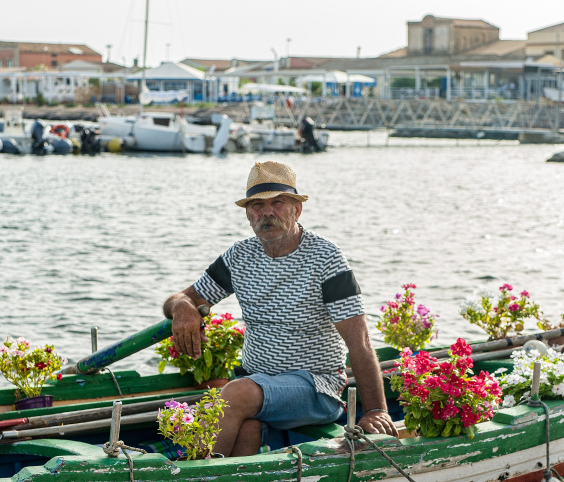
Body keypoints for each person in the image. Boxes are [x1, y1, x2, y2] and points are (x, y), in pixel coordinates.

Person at [163, 161, 396, 457]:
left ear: (296, 210)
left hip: (317, 388)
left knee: (235, 394)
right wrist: (183, 305)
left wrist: (375, 409)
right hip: (258, 385)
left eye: (278, 203)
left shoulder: (326, 258)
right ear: (248, 215)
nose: (267, 213)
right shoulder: (239, 256)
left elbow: (359, 341)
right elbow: (181, 298)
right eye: (258, 205)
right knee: (245, 429)